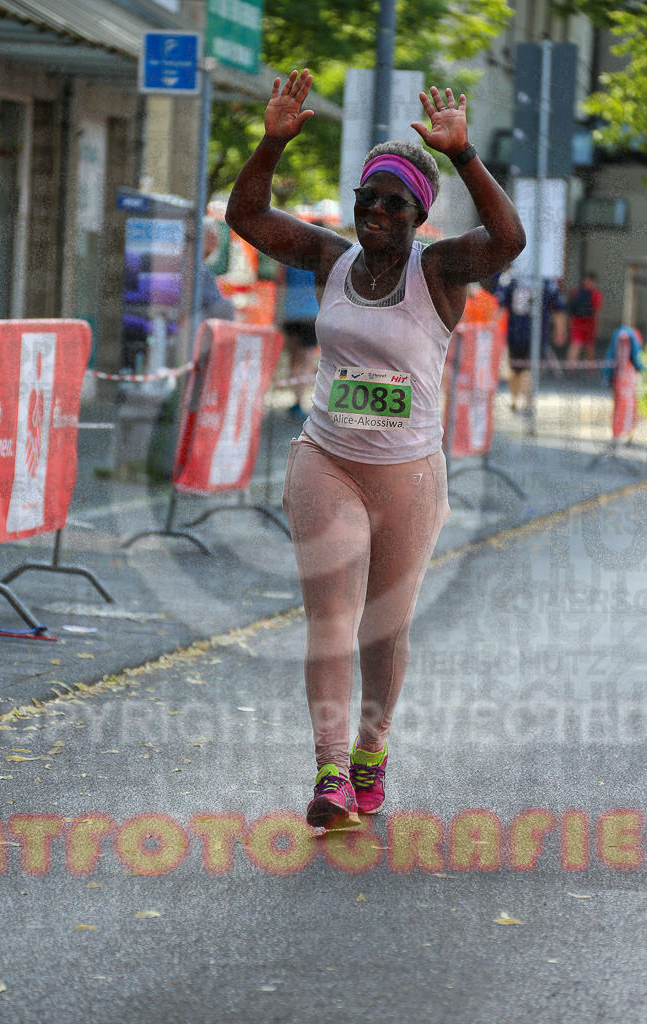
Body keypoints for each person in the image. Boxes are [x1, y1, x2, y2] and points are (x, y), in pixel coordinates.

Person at [225, 69, 525, 829]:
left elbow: (508, 240)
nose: (375, 213)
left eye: (393, 203)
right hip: (325, 458)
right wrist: (271, 141)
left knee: (381, 629)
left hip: (408, 475)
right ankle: (329, 772)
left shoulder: (439, 271)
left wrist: (463, 158)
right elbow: (247, 214)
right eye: (367, 200)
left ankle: (369, 753)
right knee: (331, 618)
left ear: (418, 214)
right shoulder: (328, 260)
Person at [497, 276, 566, 412]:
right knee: (529, 370)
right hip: (536, 334)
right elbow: (559, 309)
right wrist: (560, 331)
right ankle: (527, 403)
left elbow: (500, 307)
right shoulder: (546, 281)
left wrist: (495, 332)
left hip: (514, 332)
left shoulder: (511, 279)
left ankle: (515, 401)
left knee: (516, 369)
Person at [278, 230, 322, 420]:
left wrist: (276, 316)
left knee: (294, 358)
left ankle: (295, 400)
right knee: (306, 359)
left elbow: (280, 285)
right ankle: (299, 401)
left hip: (290, 314)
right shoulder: (323, 259)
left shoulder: (288, 257)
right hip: (312, 315)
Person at [200, 220, 235, 322]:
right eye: (210, 238)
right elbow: (216, 304)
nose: (214, 242)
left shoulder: (203, 268)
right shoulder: (198, 268)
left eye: (215, 239)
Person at [567, 272, 602, 364]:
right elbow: (597, 312)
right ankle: (590, 369)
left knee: (575, 344)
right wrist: (597, 327)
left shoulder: (575, 291)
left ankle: (570, 369)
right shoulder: (596, 293)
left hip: (576, 322)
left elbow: (571, 308)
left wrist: (569, 323)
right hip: (589, 322)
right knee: (589, 345)